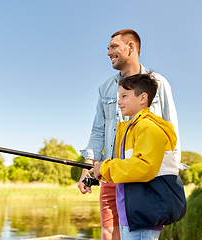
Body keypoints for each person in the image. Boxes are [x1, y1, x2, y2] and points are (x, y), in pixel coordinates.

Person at [77, 29, 181, 240]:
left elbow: (171, 130)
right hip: (109, 171)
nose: (108, 52)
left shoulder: (159, 84)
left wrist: (170, 178)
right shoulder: (105, 88)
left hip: (142, 175)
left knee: (139, 231)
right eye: (108, 48)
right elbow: (98, 130)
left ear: (131, 47)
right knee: (109, 232)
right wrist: (88, 168)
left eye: (114, 47)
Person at [92, 72, 178, 240]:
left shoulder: (148, 127)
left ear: (142, 98)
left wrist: (106, 166)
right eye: (119, 96)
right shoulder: (132, 128)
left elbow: (144, 167)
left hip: (143, 216)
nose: (119, 101)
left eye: (124, 96)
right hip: (131, 215)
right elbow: (129, 167)